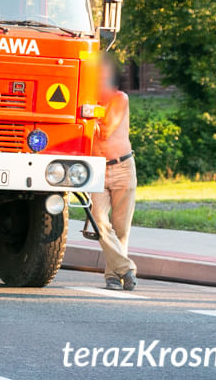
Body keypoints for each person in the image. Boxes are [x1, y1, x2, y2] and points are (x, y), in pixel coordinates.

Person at [92, 55, 138, 291]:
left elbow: (106, 130)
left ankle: (113, 277)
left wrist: (89, 114)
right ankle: (127, 269)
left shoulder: (120, 98)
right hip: (97, 170)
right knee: (99, 222)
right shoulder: (89, 99)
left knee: (121, 229)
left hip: (122, 168)